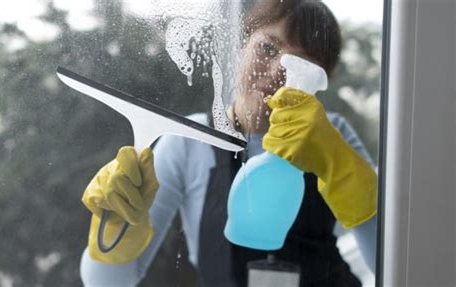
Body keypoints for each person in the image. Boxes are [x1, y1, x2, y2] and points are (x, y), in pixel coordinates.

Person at [80, 0, 378, 286]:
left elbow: (392, 261)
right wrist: (117, 227)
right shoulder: (187, 142)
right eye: (267, 48)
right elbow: (108, 283)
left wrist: (341, 167)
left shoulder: (333, 135)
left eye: (301, 65)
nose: (278, 72)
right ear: (240, 47)